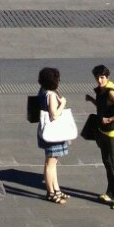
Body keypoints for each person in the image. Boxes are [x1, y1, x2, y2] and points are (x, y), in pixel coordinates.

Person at [85, 66, 114, 210]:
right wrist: (92, 100)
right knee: (107, 162)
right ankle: (111, 192)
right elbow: (103, 106)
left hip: (112, 133)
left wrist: (110, 119)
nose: (99, 80)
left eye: (102, 77)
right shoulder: (100, 90)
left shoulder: (111, 92)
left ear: (107, 77)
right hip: (102, 131)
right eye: (97, 78)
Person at [33, 66, 75, 203]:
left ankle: (56, 189)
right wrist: (63, 103)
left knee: (52, 162)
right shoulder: (50, 94)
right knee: (50, 163)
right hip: (54, 134)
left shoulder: (43, 91)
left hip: (47, 131)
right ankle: (51, 192)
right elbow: (55, 115)